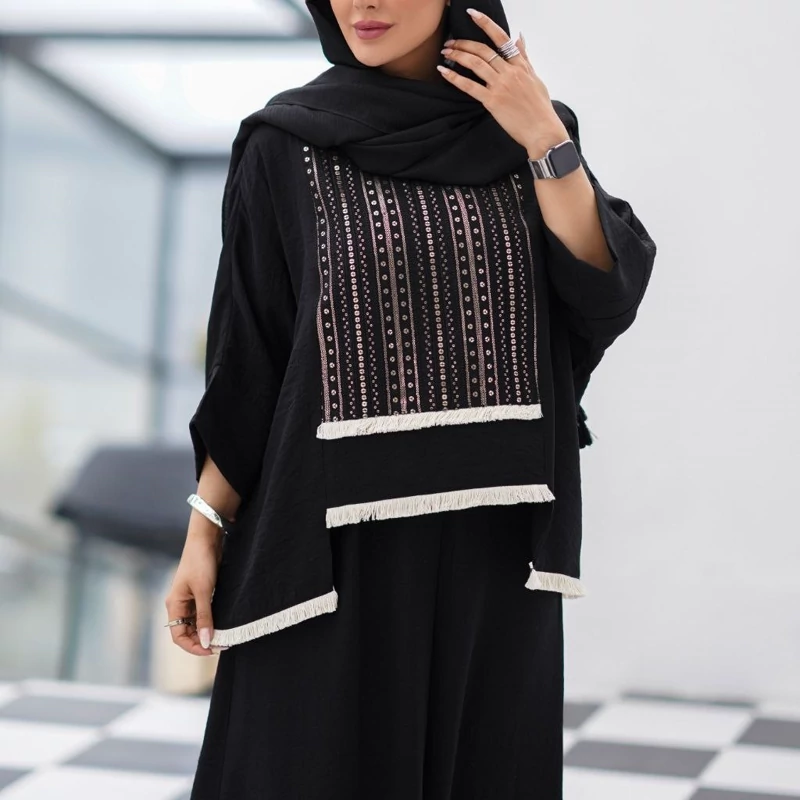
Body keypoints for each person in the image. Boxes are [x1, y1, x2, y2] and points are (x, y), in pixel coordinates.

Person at [166, 0, 657, 796]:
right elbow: (250, 360)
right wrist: (204, 530)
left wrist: (544, 136)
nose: (363, 4)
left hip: (493, 548)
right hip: (330, 550)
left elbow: (603, 289)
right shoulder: (283, 144)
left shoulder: (528, 131)